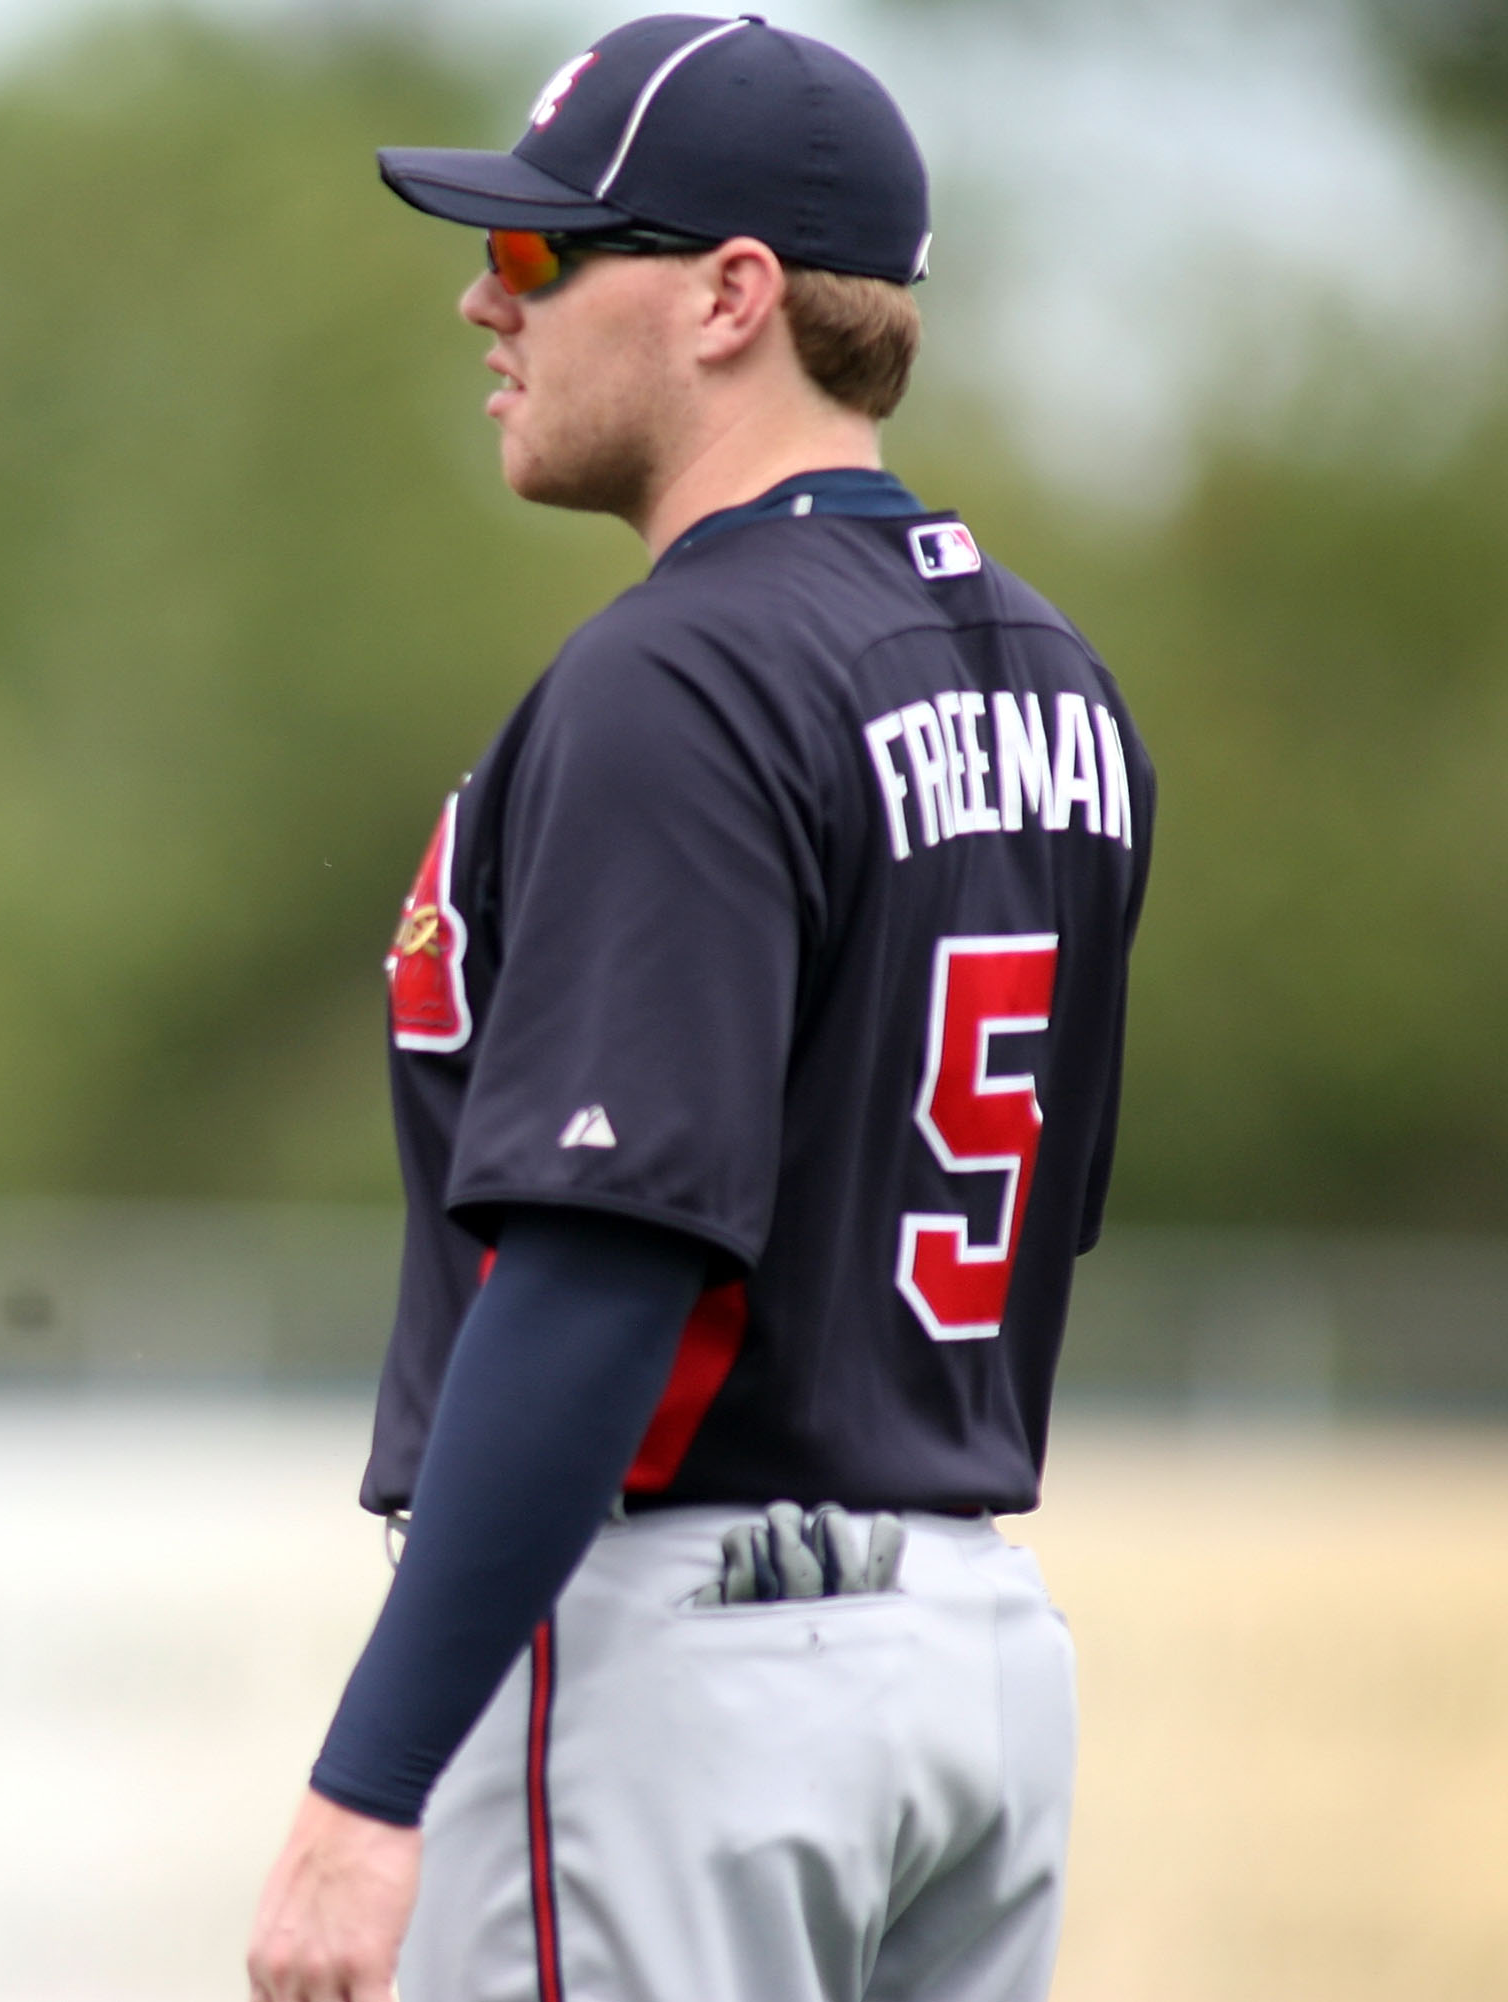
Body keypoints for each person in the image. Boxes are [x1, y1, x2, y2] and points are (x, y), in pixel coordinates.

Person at [244, 16, 1150, 2002]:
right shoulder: (1055, 678)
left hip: (689, 1673)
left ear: (735, 294)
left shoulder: (684, 676)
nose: (487, 299)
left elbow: (595, 1265)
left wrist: (369, 1780)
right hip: (975, 1657)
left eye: (545, 254)